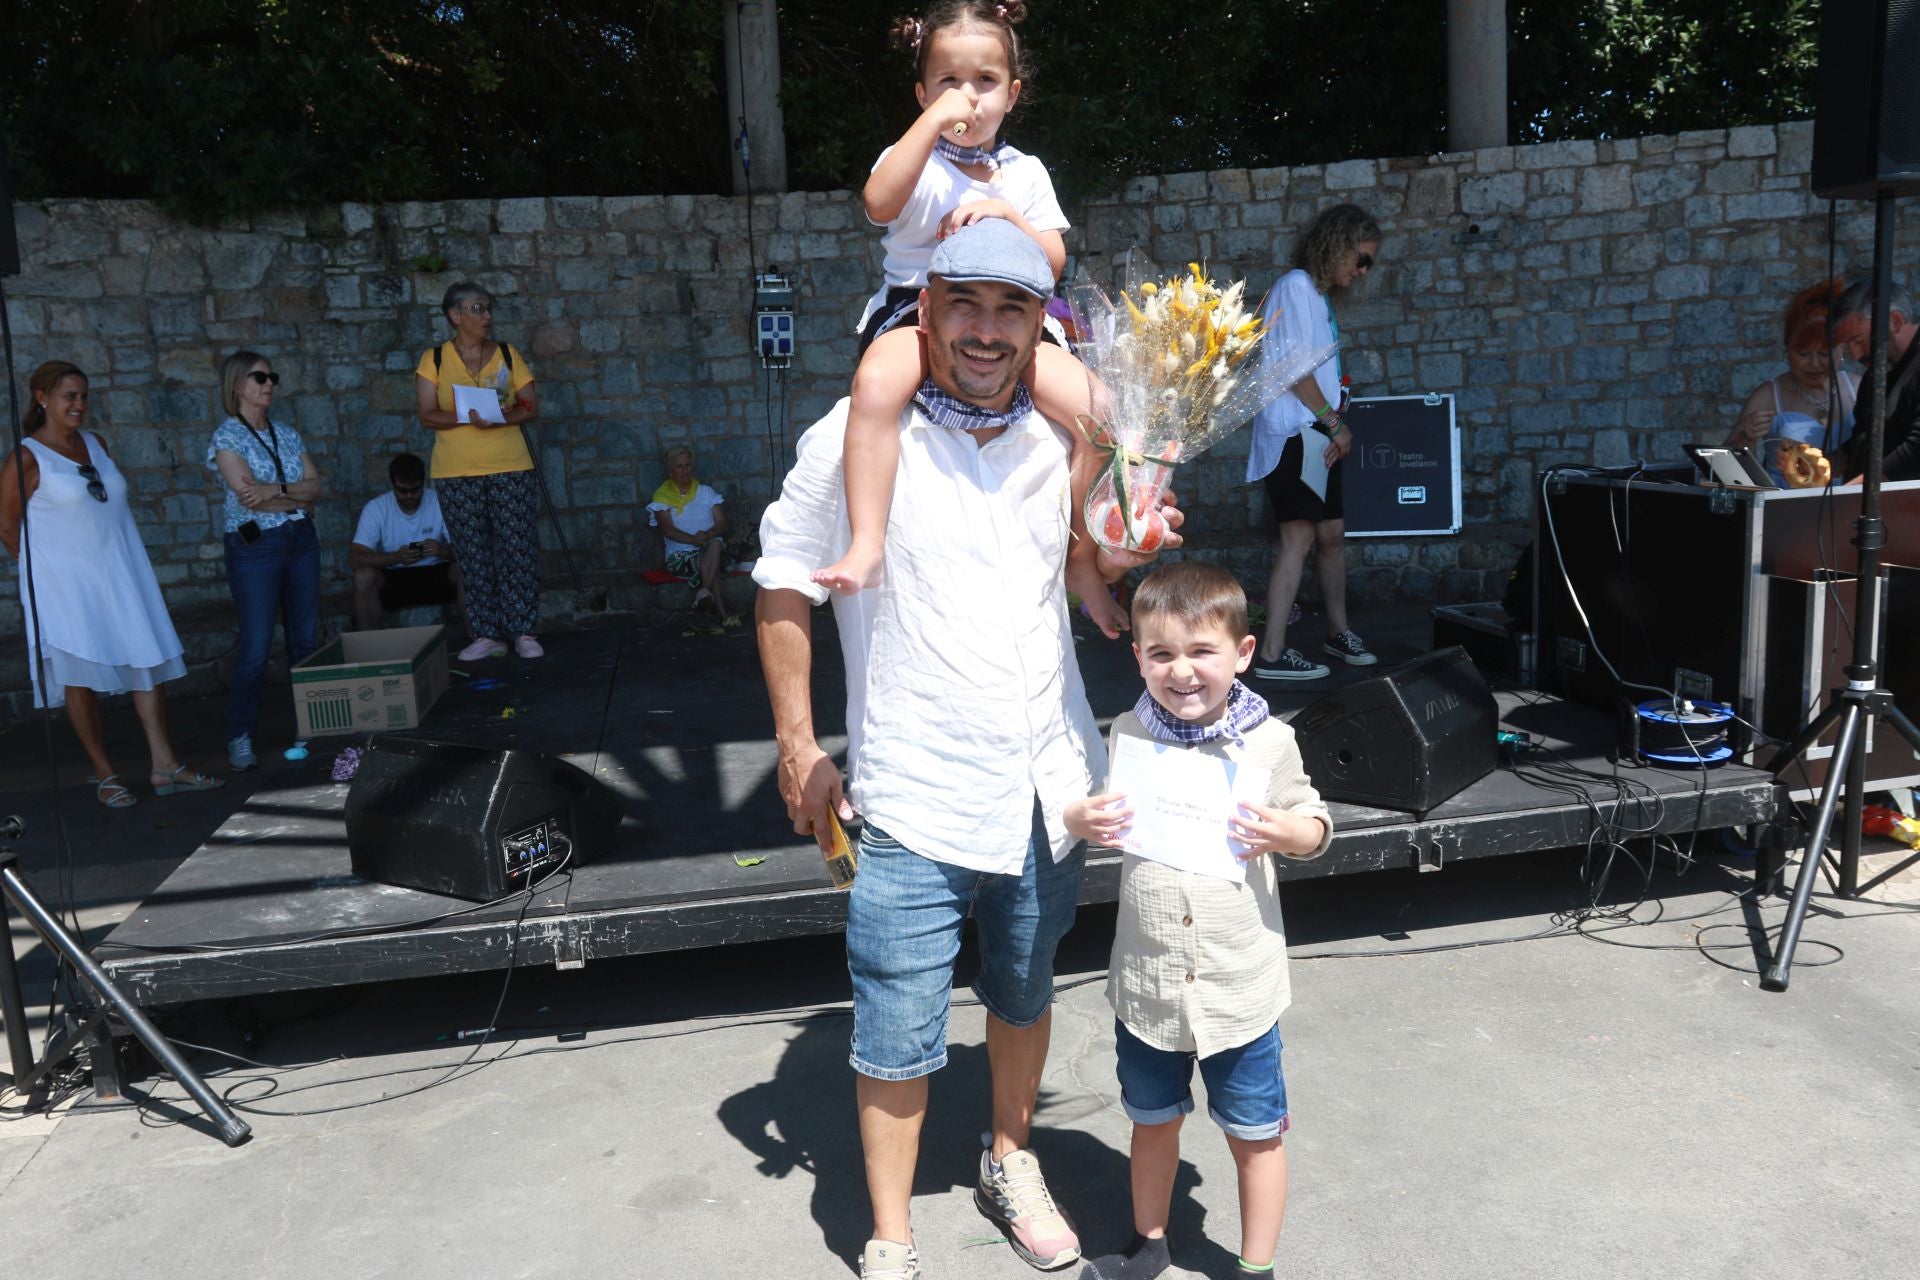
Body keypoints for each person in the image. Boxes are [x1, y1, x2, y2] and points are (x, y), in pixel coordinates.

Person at [753, 219, 1181, 1280]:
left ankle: (1008, 1155)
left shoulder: (1062, 435)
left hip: (1050, 785)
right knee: (896, 1031)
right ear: (928, 306)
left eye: (1013, 310)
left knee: (1025, 996)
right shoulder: (853, 433)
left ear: (1043, 323)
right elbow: (779, 580)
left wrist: (1132, 541)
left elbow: (1096, 566)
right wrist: (798, 742)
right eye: (967, 305)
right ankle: (890, 1235)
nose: (987, 332)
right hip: (912, 793)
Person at [808, 1, 1126, 638]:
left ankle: (1081, 559)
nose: (966, 98)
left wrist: (1008, 217)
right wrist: (928, 127)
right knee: (873, 387)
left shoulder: (1024, 173)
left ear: (1011, 95)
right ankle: (867, 542)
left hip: (1011, 321)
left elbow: (1056, 256)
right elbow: (878, 203)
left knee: (1101, 409)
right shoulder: (915, 161)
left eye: (984, 82)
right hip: (917, 313)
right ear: (923, 93)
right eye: (948, 82)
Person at [1064, 562, 1330, 1280]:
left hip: (1237, 991)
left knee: (1255, 1135)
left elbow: (1314, 821)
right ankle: (1148, 1243)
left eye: (1201, 652)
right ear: (1139, 657)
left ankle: (1256, 1267)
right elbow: (1095, 810)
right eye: (1162, 654)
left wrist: (1289, 833)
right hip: (1148, 989)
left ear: (1242, 653)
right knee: (1151, 1124)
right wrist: (1079, 818)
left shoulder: (1269, 742)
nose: (1182, 671)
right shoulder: (1129, 733)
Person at [0, 362, 223, 806]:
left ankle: (165, 765)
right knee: (77, 672)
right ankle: (105, 774)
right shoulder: (27, 456)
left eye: (84, 396)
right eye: (70, 396)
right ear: (41, 397)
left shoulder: (96, 444)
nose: (80, 404)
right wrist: (45, 572)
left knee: (145, 657)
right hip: (65, 584)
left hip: (120, 571)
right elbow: (6, 525)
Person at [1246, 203, 1383, 682]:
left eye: (1369, 262)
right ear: (1338, 245)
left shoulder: (1315, 295)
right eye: (1360, 258)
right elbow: (1292, 370)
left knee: (1331, 534)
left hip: (1316, 432)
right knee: (1299, 537)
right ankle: (1273, 655)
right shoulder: (1296, 288)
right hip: (1295, 433)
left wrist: (1332, 421)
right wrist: (1333, 422)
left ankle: (1337, 632)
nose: (1363, 271)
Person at [414, 281, 545, 661]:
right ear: (455, 316)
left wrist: (497, 417)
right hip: (455, 471)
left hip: (510, 465)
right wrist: (465, 415)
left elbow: (530, 406)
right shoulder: (434, 359)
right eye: (477, 309)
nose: (487, 316)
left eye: (488, 308)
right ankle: (487, 633)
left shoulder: (507, 353)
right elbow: (426, 414)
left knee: (517, 548)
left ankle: (523, 630)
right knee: (472, 553)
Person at [209, 350, 324, 771]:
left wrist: (277, 489)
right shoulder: (227, 438)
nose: (268, 383)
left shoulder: (288, 433)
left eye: (271, 376)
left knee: (304, 639)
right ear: (237, 384)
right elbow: (250, 500)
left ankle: (309, 726)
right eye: (259, 377)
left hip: (300, 541)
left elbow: (316, 488)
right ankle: (240, 736)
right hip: (256, 547)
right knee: (256, 646)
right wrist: (295, 494)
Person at [1724, 279, 1857, 488]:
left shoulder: (1858, 388)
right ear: (1787, 350)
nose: (1814, 364)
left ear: (1842, 349)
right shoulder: (1769, 395)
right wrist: (1745, 437)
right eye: (1803, 353)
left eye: (1824, 353)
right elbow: (1725, 467)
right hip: (1787, 510)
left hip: (1849, 507)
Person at [349, 453, 462, 631]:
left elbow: (467, 551)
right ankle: (370, 648)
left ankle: (479, 636)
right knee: (363, 577)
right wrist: (396, 557)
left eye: (415, 490)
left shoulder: (439, 501)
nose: (409, 495)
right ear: (392, 485)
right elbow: (355, 559)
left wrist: (442, 552)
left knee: (466, 569)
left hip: (436, 573)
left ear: (423, 484)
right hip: (395, 576)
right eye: (402, 490)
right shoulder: (377, 508)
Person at [1831, 278, 1920, 483]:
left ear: (1895, 321)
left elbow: (1916, 452)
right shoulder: (1875, 377)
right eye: (1848, 345)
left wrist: (1855, 494)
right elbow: (1861, 442)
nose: (1855, 354)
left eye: (1859, 341)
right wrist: (1814, 463)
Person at [647, 445, 736, 624]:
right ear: (670, 470)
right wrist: (694, 539)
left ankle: (704, 594)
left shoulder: (705, 492)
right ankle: (723, 614)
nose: (684, 470)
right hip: (681, 557)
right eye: (679, 466)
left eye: (688, 465)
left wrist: (708, 534)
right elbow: (668, 530)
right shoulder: (662, 497)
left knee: (715, 548)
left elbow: (722, 522)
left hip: (709, 547)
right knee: (713, 560)